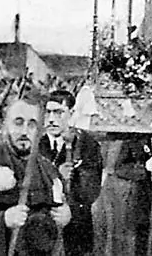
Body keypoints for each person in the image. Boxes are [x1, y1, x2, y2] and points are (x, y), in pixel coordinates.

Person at [0, 98, 72, 255]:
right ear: (6, 125)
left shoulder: (48, 169)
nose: (24, 132)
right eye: (18, 122)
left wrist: (66, 215)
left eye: (31, 124)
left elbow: (62, 208)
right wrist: (2, 220)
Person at [39, 90, 103, 256]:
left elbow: (90, 192)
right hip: (41, 227)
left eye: (59, 112)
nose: (52, 119)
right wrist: (56, 175)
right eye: (48, 113)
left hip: (75, 229)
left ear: (72, 114)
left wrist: (71, 211)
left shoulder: (87, 145)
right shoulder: (35, 144)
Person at [114, 100, 152, 255]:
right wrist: (145, 168)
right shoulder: (135, 137)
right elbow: (120, 168)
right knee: (142, 245)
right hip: (142, 201)